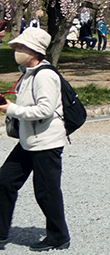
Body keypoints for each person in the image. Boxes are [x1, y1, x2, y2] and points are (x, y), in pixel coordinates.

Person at [0, 27, 70, 250]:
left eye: (21, 47)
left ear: (34, 51)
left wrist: (11, 109)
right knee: (5, 181)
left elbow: (44, 110)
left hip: (46, 142)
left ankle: (58, 237)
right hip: (29, 139)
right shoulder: (28, 74)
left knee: (46, 192)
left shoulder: (45, 75)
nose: (16, 51)